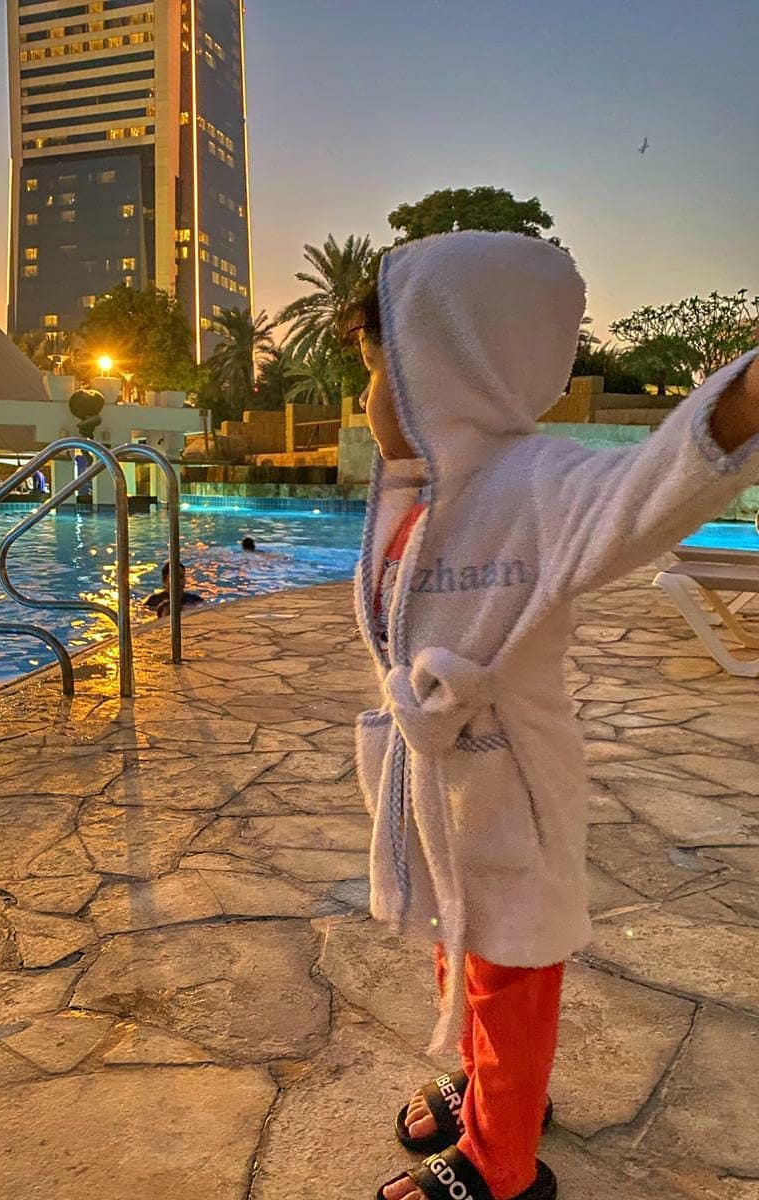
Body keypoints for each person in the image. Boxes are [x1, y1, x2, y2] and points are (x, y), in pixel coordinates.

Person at [347, 231, 759, 1200]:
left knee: (511, 969)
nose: (367, 400)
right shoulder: (416, 495)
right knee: (460, 944)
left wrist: (743, 402)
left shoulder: (543, 484)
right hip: (441, 785)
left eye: (382, 372)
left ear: (455, 370)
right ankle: (490, 1086)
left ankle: (503, 1160)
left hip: (510, 786)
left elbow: (657, 483)